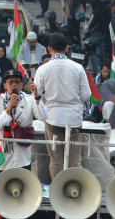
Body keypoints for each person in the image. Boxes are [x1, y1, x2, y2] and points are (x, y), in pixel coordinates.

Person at [33, 33, 91, 178]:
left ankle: (57, 193)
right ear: (67, 48)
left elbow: (37, 93)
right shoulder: (77, 68)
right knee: (74, 160)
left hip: (52, 117)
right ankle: (73, 192)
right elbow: (86, 95)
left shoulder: (43, 69)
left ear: (49, 49)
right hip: (74, 119)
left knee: (56, 159)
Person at [0, 69, 46, 170]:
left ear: (22, 84)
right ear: (5, 85)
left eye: (17, 82)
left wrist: (37, 96)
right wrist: (7, 110)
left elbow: (43, 117)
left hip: (23, 154)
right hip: (4, 154)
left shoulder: (30, 99)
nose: (14, 85)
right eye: (10, 82)